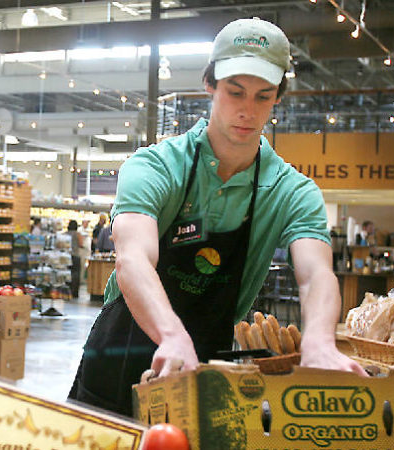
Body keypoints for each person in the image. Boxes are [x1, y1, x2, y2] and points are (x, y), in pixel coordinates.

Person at [68, 17, 365, 417]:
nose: (246, 110)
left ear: (278, 97)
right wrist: (171, 335)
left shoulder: (292, 191)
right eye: (235, 91)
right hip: (121, 351)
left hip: (206, 360)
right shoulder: (156, 166)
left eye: (263, 96)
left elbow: (315, 276)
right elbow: (133, 258)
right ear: (210, 84)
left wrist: (319, 342)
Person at [66, 220, 85, 298]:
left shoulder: (65, 234)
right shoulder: (78, 234)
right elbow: (81, 244)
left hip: (66, 256)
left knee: (67, 273)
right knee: (76, 274)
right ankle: (75, 293)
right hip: (75, 256)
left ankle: (67, 291)